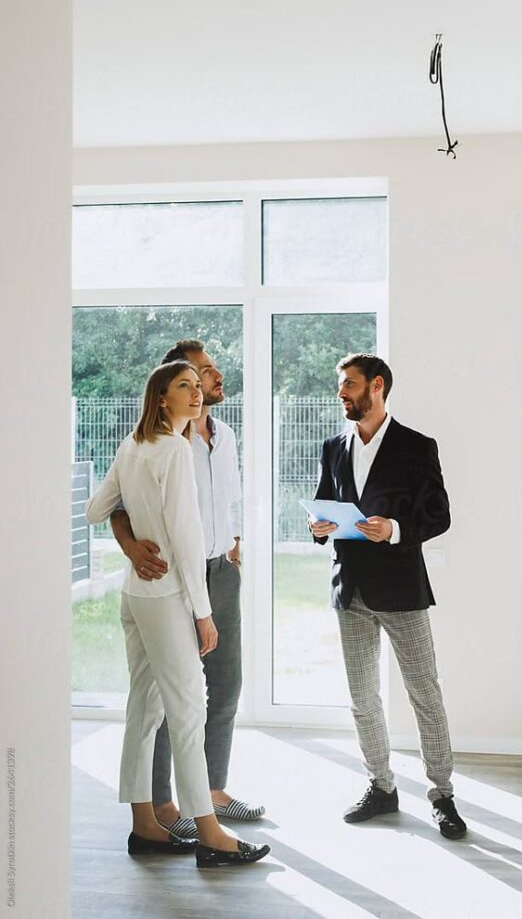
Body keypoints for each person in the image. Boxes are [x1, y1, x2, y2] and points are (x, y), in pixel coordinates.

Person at [86, 360, 270, 868]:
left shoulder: (134, 443)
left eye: (196, 386)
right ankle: (210, 833)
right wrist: (204, 614)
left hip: (135, 594)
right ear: (162, 398)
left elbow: (96, 509)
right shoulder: (174, 450)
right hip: (166, 597)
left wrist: (134, 540)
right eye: (183, 387)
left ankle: (144, 825)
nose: (195, 393)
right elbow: (188, 542)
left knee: (144, 711)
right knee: (189, 711)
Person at [309, 353, 467, 840]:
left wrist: (396, 529)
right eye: (341, 385)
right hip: (350, 588)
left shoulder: (418, 447)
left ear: (377, 387)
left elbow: (439, 516)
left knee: (425, 692)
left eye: (350, 385)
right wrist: (318, 529)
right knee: (362, 697)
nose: (342, 393)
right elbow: (323, 506)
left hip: (401, 588)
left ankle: (442, 794)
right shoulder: (333, 447)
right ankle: (380, 786)